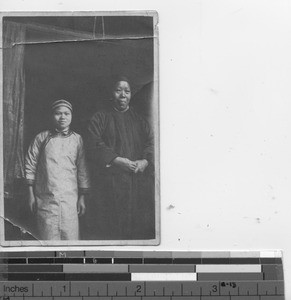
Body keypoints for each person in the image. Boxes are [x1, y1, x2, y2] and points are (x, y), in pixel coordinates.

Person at [85, 76, 155, 240]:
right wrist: (116, 160)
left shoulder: (140, 121)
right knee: (111, 229)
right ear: (112, 93)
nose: (123, 95)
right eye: (118, 90)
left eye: (127, 91)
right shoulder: (100, 118)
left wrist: (145, 161)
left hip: (137, 185)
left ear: (131, 95)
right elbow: (92, 142)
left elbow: (151, 143)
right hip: (109, 187)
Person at [25, 99, 90, 240]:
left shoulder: (77, 140)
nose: (62, 117)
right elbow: (30, 165)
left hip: (70, 200)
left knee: (70, 238)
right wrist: (30, 194)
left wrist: (82, 197)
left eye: (66, 113)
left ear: (71, 116)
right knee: (47, 238)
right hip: (45, 199)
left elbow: (82, 169)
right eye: (58, 113)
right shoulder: (41, 138)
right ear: (51, 115)